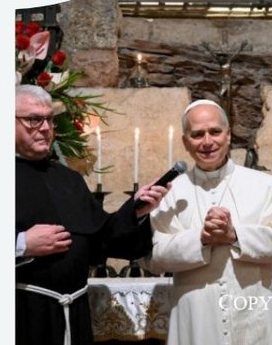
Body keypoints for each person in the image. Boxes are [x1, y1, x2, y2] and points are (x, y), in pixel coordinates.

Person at [16, 85, 167, 345]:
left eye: (49, 119)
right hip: (23, 313)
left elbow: (102, 242)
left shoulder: (69, 180)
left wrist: (135, 210)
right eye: (33, 119)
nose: (45, 128)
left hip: (74, 313)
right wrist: (22, 244)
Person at [148, 100, 272, 345]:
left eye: (215, 132)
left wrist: (235, 235)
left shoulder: (266, 185)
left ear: (228, 136)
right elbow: (154, 257)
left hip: (260, 310)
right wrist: (201, 239)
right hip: (197, 316)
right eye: (197, 134)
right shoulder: (170, 192)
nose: (207, 142)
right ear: (185, 141)